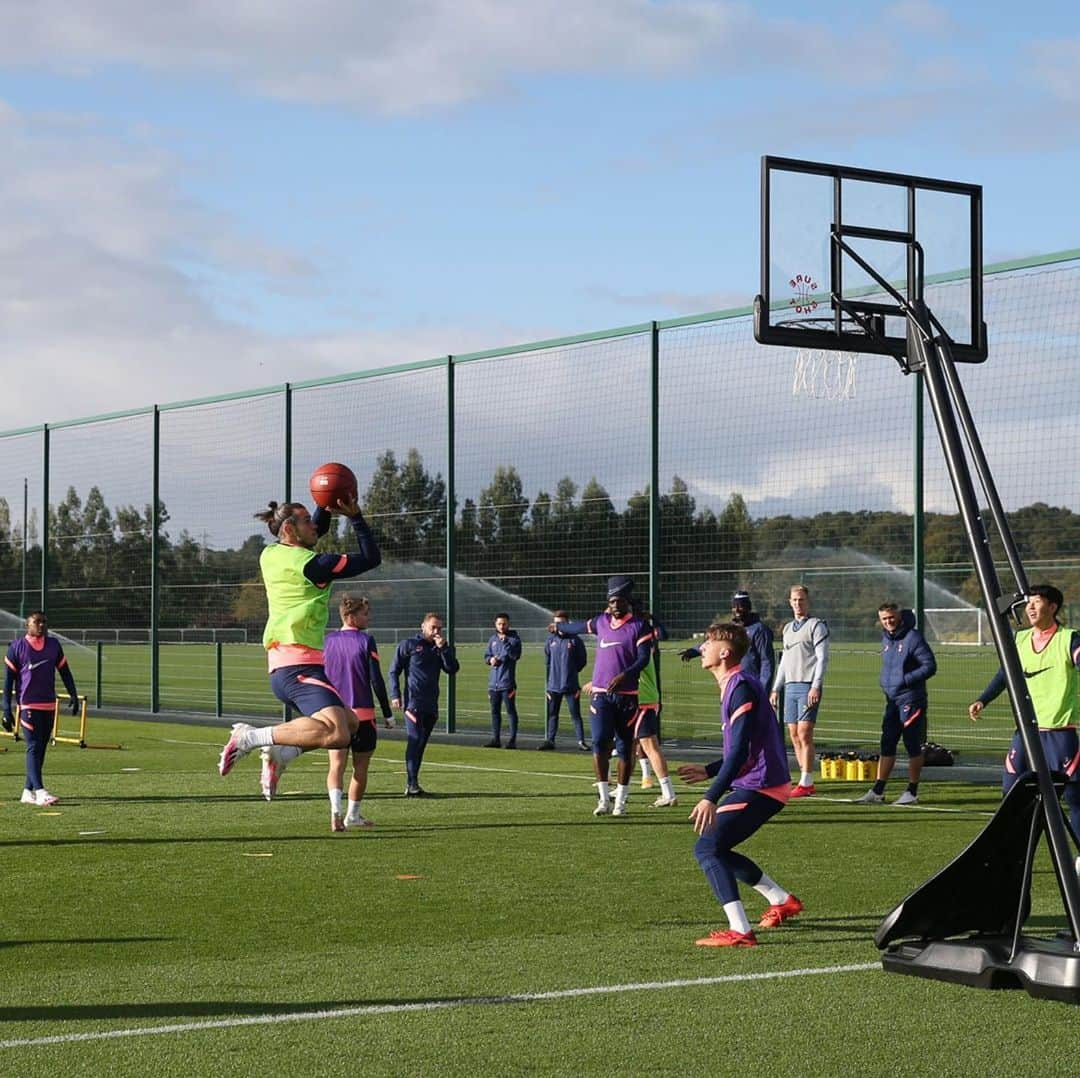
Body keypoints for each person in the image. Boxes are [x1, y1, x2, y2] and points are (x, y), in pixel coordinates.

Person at [217, 496, 381, 793]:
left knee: (351, 723)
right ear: (290, 529)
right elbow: (371, 558)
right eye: (306, 521)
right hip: (297, 664)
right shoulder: (315, 566)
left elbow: (314, 529)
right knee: (338, 734)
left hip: (288, 663)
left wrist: (326, 502)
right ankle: (249, 738)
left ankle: (283, 754)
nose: (314, 526)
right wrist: (355, 516)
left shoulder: (270, 554)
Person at [678, 622, 802, 948]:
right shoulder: (734, 684)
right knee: (718, 848)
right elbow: (743, 750)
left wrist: (710, 796)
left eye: (708, 642)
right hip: (760, 782)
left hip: (762, 785)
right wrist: (709, 770)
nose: (702, 647)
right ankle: (781, 900)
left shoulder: (741, 687)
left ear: (724, 652)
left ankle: (741, 930)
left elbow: (741, 752)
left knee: (706, 848)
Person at [969, 584, 1080, 846]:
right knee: (1011, 791)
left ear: (1052, 607)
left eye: (1036, 602)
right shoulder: (1019, 639)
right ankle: (1015, 851)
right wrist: (983, 699)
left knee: (1074, 797)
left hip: (1058, 731)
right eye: (1027, 602)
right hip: (1026, 732)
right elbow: (1004, 674)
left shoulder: (1069, 638)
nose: (1030, 607)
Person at [548, 575, 653, 817]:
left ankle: (621, 803)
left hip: (627, 696)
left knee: (625, 748)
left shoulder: (639, 626)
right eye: (611, 601)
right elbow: (576, 627)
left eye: (618, 601)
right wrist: (558, 628)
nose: (614, 606)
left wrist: (624, 675)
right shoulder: (601, 622)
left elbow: (643, 658)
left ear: (627, 602)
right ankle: (604, 800)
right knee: (599, 742)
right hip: (601, 696)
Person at [323, 595, 395, 832]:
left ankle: (335, 809)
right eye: (365, 613)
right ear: (351, 617)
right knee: (360, 767)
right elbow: (376, 679)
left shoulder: (327, 641)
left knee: (336, 766)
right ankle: (352, 815)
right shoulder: (366, 640)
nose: (369, 617)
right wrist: (388, 713)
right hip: (363, 714)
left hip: (335, 714)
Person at [855, 603, 937, 806]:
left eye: (891, 617)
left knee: (912, 745)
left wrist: (905, 679)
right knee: (887, 743)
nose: (888, 621)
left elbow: (930, 665)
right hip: (892, 700)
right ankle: (878, 790)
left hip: (911, 699)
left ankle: (912, 791)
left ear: (899, 616)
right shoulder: (886, 638)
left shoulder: (913, 637)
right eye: (884, 619)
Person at [3, 611, 79, 807]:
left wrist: (73, 694)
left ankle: (28, 791)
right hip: (28, 704)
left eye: (44, 622)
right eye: (37, 622)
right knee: (33, 747)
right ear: (28, 625)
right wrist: (6, 709)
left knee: (41, 748)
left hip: (48, 704)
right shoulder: (16, 647)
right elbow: (8, 681)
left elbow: (64, 671)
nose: (42, 625)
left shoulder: (54, 645)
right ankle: (40, 791)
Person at [389, 612, 460, 796]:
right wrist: (395, 694)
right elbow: (394, 670)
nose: (436, 631)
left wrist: (444, 649)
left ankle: (412, 784)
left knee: (421, 743)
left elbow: (452, 669)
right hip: (413, 702)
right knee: (415, 741)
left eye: (439, 628)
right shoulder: (410, 645)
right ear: (423, 627)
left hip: (431, 704)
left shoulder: (442, 647)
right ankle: (411, 783)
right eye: (433, 627)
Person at [770, 584, 829, 797]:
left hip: (807, 685)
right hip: (790, 686)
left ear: (808, 601)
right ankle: (803, 778)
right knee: (793, 734)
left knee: (805, 733)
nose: (797, 603)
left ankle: (807, 781)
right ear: (789, 602)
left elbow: (822, 658)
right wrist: (776, 688)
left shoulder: (816, 626)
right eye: (794, 600)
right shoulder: (787, 629)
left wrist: (816, 685)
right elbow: (784, 661)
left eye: (801, 599)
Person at [680, 590, 774, 688]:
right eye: (734, 606)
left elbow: (766, 661)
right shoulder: (732, 628)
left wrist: (763, 689)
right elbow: (716, 642)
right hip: (733, 682)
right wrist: (695, 650)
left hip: (751, 685)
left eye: (740, 606)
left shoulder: (759, 630)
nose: (737, 610)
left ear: (748, 608)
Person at [633, 609, 678, 807]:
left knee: (650, 746)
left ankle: (668, 793)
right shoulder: (638, 641)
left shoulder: (640, 643)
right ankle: (629, 782)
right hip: (639, 698)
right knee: (631, 745)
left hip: (643, 699)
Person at [539, 610, 589, 751]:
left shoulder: (575, 640)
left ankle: (581, 741)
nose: (559, 625)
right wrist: (548, 686)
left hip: (571, 685)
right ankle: (550, 740)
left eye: (562, 623)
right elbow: (548, 663)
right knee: (553, 714)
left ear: (567, 623)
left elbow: (582, 661)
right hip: (553, 686)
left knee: (575, 715)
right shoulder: (550, 641)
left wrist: (571, 672)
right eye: (556, 622)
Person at [483, 613, 522, 749]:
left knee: (510, 711)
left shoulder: (514, 639)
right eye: (499, 624)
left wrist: (506, 643)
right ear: (495, 624)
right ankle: (496, 739)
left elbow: (515, 656)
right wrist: (490, 660)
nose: (502, 626)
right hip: (493, 683)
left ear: (508, 624)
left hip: (507, 683)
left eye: (504, 623)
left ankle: (512, 740)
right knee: (494, 711)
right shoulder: (492, 639)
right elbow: (486, 655)